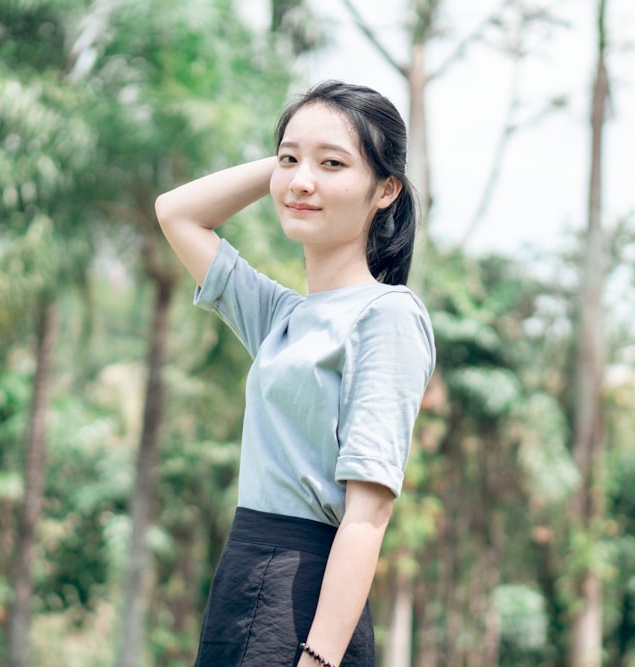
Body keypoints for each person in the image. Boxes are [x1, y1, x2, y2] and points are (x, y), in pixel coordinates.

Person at [154, 80, 436, 667]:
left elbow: (369, 511)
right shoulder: (283, 317)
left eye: (335, 164)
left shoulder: (386, 316)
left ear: (387, 189)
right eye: (289, 159)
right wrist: (295, 163)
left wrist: (320, 658)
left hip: (306, 600)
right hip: (242, 576)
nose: (303, 181)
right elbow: (176, 213)